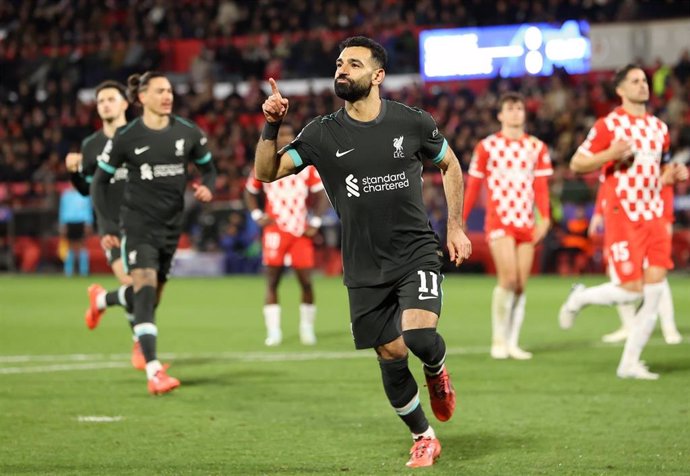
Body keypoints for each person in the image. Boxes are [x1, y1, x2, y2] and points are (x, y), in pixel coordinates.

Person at [254, 36, 472, 468]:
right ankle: (423, 436)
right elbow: (266, 172)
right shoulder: (321, 132)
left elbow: (450, 163)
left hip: (415, 253)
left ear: (378, 76)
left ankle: (436, 371)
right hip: (363, 265)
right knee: (390, 356)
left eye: (353, 63)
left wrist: (455, 226)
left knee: (419, 337)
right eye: (339, 62)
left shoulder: (412, 122)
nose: (342, 69)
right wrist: (271, 126)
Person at [559, 64, 688, 380]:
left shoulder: (659, 128)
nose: (643, 85)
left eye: (644, 80)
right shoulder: (610, 125)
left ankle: (629, 363)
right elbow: (577, 162)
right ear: (620, 90)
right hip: (624, 213)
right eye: (635, 81)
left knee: (655, 291)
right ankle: (581, 297)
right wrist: (610, 154)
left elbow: (661, 169)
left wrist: (671, 175)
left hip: (655, 212)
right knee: (631, 291)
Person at [91, 71, 216, 395]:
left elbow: (209, 168)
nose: (168, 96)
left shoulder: (188, 133)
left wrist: (208, 187)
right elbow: (98, 183)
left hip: (171, 229)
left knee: (150, 297)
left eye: (170, 90)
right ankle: (153, 370)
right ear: (142, 97)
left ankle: (103, 299)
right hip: (138, 225)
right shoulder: (127, 137)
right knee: (144, 290)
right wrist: (106, 226)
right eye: (160, 91)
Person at [463, 92, 552, 360]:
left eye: (519, 108)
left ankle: (513, 341)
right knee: (509, 279)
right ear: (500, 115)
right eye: (510, 108)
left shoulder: (537, 147)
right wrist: (461, 218)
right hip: (500, 220)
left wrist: (545, 218)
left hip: (526, 221)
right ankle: (498, 339)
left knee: (521, 284)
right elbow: (474, 185)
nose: (515, 113)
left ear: (525, 113)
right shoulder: (487, 147)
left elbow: (541, 187)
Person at [64, 80, 145, 370]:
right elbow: (87, 189)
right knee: (135, 286)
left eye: (111, 99)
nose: (105, 105)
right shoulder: (91, 146)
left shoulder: (141, 137)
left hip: (144, 224)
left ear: (125, 103)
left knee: (148, 290)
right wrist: (74, 173)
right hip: (112, 227)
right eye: (100, 101)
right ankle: (141, 345)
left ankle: (101, 300)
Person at [245, 123, 330, 347]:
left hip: (300, 230)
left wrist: (315, 221)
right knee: (272, 281)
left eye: (289, 134)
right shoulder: (264, 163)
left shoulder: (305, 166)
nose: (285, 138)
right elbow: (249, 191)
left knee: (306, 282)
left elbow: (322, 194)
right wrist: (256, 214)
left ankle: (307, 329)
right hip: (275, 230)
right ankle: (273, 331)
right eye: (281, 134)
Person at [589, 181, 682, 344]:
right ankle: (628, 325)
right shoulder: (619, 160)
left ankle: (669, 327)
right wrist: (598, 213)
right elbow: (607, 183)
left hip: (649, 221)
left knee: (656, 274)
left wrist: (667, 219)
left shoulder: (652, 160)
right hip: (621, 222)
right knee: (617, 274)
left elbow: (665, 184)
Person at [58, 183, 93, 277]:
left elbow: (88, 209)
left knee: (82, 246)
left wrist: (88, 223)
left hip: (81, 222)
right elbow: (62, 210)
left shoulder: (84, 194)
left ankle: (84, 272)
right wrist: (62, 224)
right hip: (69, 222)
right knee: (70, 246)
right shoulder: (65, 195)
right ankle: (68, 271)